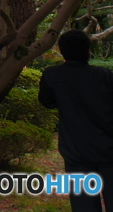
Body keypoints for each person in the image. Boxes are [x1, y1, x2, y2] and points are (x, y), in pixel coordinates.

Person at [38, 29, 113, 212]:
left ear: (62, 51)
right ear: (88, 51)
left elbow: (46, 101)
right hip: (109, 149)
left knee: (84, 205)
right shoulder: (104, 75)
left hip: (75, 151)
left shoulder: (53, 75)